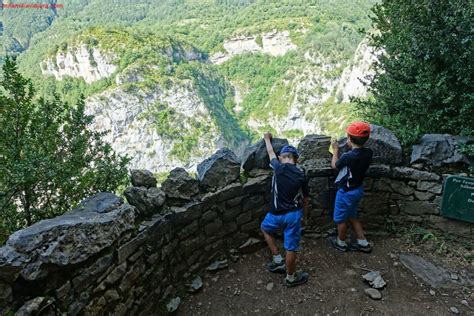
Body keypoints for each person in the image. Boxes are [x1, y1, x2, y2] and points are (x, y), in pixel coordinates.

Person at [260, 132, 310, 287]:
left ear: (281, 157)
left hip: (275, 214)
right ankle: (290, 277)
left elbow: (269, 152)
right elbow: (306, 199)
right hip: (293, 215)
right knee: (290, 247)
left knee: (265, 228)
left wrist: (267, 139)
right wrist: (305, 217)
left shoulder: (278, 168)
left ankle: (276, 258)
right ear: (296, 160)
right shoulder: (301, 175)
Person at [329, 121, 373, 253]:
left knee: (341, 219)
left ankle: (341, 242)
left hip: (346, 192)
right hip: (358, 189)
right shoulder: (368, 153)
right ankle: (363, 242)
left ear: (349, 138)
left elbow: (335, 165)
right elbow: (358, 154)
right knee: (353, 216)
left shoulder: (348, 156)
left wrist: (335, 150)